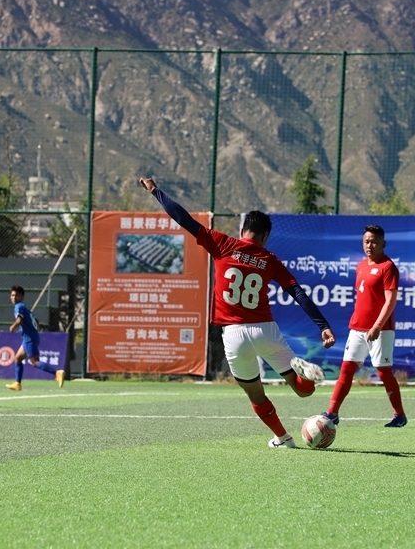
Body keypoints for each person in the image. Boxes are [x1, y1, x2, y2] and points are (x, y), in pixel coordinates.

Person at [140, 176, 336, 448]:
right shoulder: (269, 259)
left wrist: (155, 191)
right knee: (304, 391)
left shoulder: (222, 243)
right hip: (265, 330)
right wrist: (323, 325)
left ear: (243, 230)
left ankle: (283, 438)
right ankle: (302, 372)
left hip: (234, 334)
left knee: (256, 395)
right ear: (265, 236)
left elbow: (182, 218)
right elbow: (298, 293)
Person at [323, 224, 407, 428]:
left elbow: (390, 301)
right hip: (357, 328)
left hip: (381, 330)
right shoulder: (361, 266)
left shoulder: (388, 267)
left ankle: (399, 415)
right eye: (366, 241)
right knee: (346, 368)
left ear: (383, 244)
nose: (370, 245)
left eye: (374, 242)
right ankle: (332, 413)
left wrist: (377, 326)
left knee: (383, 371)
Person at [5, 285, 65, 390]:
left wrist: (13, 326)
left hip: (29, 338)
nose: (14, 297)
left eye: (17, 295)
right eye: (12, 295)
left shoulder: (18, 306)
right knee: (18, 358)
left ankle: (57, 373)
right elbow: (36, 321)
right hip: (30, 337)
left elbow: (20, 320)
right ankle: (17, 383)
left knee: (34, 362)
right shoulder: (25, 307)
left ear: (22, 297)